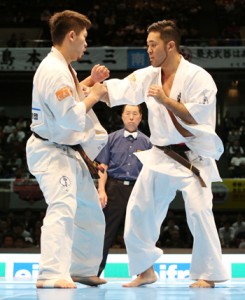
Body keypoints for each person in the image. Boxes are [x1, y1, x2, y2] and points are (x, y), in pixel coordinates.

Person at [100, 20, 229, 288]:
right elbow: (121, 88)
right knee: (138, 208)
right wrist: (92, 89)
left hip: (191, 156)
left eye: (152, 44)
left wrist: (165, 100)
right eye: (147, 45)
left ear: (170, 45)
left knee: (199, 211)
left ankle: (208, 274)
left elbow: (196, 120)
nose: (148, 50)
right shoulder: (149, 75)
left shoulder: (198, 77)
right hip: (160, 154)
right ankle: (146, 270)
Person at [26, 10, 110, 289]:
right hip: (51, 150)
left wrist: (88, 82)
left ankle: (81, 269)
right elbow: (70, 117)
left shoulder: (64, 67)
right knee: (62, 206)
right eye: (84, 37)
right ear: (71, 35)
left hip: (67, 149)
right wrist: (96, 95)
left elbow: (70, 97)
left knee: (89, 212)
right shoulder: (54, 71)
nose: (86, 44)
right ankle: (51, 273)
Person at [95, 104, 152, 276]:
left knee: (139, 233)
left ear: (141, 117)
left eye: (135, 114)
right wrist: (101, 190)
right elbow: (102, 166)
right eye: (128, 113)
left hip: (138, 189)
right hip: (114, 188)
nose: (131, 117)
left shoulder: (148, 142)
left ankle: (143, 273)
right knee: (106, 231)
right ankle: (95, 272)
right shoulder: (111, 138)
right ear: (122, 116)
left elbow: (150, 172)